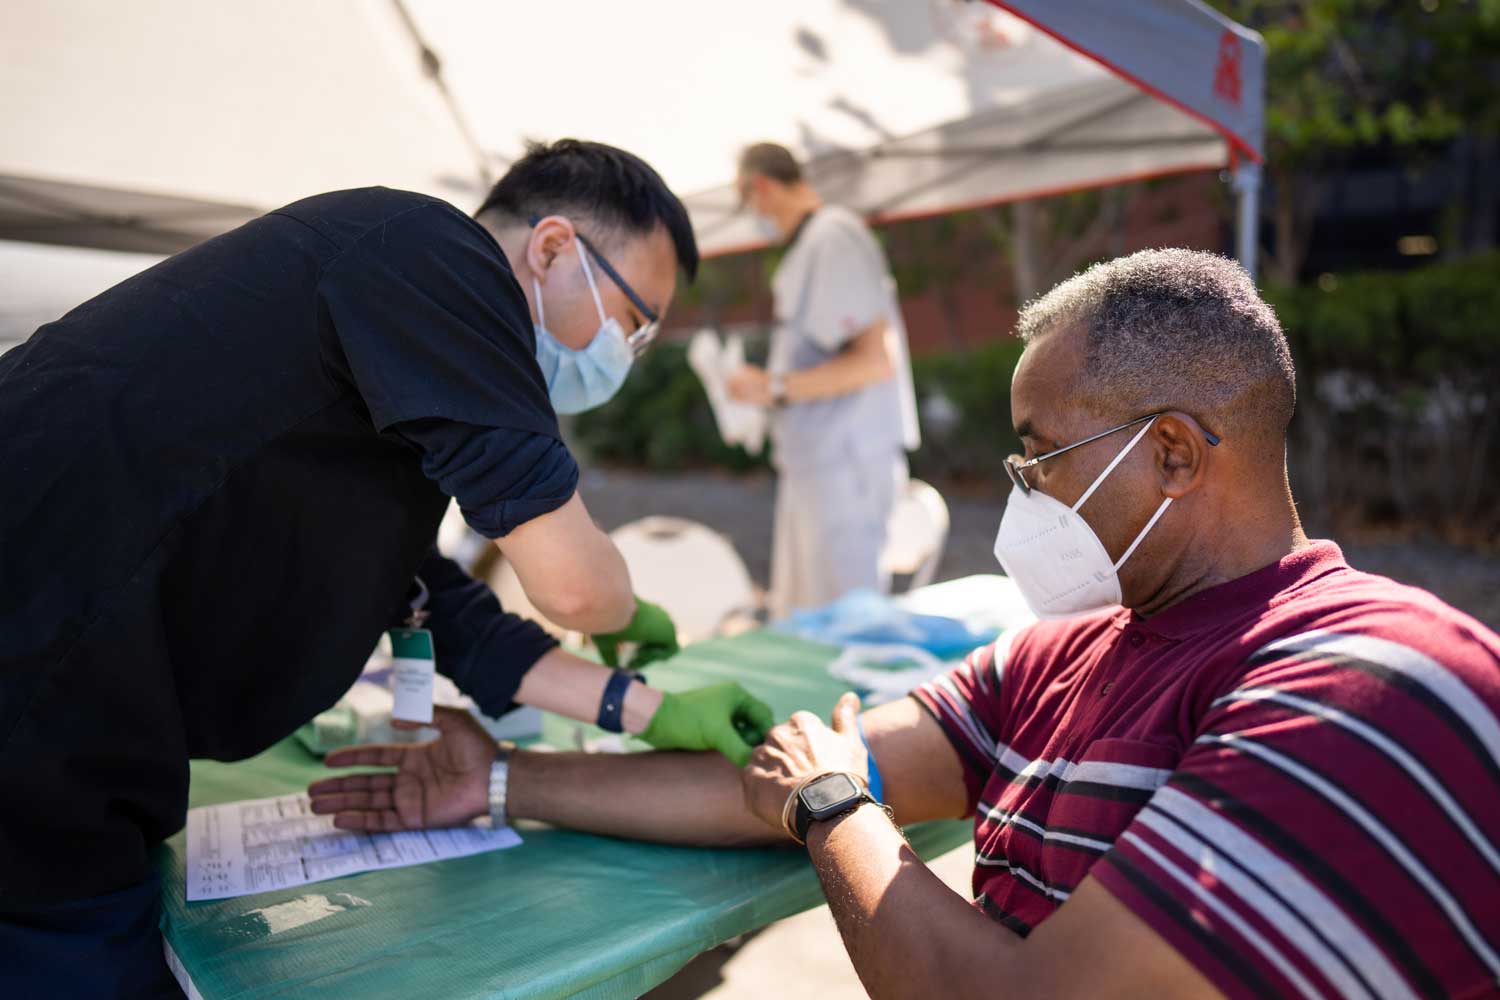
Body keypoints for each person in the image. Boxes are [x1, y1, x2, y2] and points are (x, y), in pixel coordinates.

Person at [314, 249, 1500, 999]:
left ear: (1178, 451)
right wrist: (501, 782)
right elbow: (766, 775)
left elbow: (830, 802)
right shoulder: (1067, 657)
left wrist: (835, 809)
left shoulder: (1364, 678)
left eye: (1039, 457)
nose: (1021, 490)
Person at [0, 139, 772, 996]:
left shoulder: (396, 369)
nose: (625, 361)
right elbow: (576, 588)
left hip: (73, 723)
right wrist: (621, 613)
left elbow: (425, 598)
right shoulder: (432, 256)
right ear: (552, 249)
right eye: (634, 324)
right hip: (34, 693)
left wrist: (646, 708)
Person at [726, 143, 920, 618]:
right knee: (811, 617)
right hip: (822, 465)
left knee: (846, 621)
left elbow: (874, 361)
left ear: (762, 187)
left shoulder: (833, 236)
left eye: (745, 200)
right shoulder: (814, 246)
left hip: (844, 466)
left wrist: (771, 387)